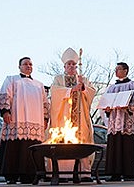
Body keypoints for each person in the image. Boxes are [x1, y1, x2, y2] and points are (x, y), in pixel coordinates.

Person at [0, 57, 50, 184]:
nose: (28, 66)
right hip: (16, 118)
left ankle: (29, 175)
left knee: (31, 148)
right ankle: (11, 175)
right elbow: (5, 93)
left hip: (35, 121)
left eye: (30, 64)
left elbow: (45, 103)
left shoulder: (39, 85)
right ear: (19, 66)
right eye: (25, 64)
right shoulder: (12, 79)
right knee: (14, 147)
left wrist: (45, 118)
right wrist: (5, 111)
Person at [49, 47, 96, 182]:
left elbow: (91, 92)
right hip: (64, 117)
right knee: (63, 141)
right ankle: (63, 174)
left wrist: (83, 88)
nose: (71, 66)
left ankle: (84, 173)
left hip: (80, 117)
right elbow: (54, 92)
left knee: (83, 141)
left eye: (73, 64)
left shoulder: (83, 79)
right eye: (69, 64)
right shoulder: (58, 78)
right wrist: (70, 91)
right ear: (64, 66)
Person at [103, 62, 134, 182]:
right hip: (115, 122)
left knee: (127, 147)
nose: (116, 71)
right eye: (115, 69)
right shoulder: (111, 88)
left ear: (125, 70)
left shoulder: (133, 85)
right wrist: (107, 109)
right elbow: (106, 102)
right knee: (115, 146)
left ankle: (129, 174)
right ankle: (115, 174)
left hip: (127, 122)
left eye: (118, 69)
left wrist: (128, 108)